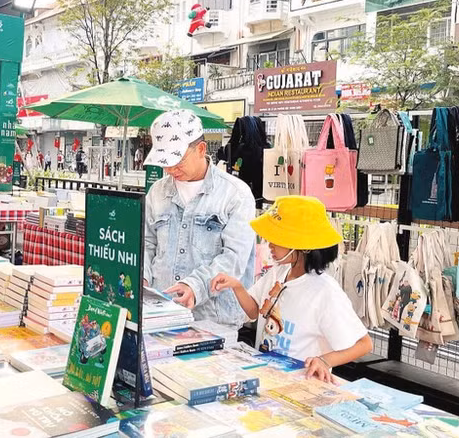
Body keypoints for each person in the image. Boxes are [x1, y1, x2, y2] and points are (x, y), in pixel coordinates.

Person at [210, 196, 372, 383]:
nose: (269, 244)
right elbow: (254, 311)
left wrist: (324, 361)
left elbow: (363, 344)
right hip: (267, 376)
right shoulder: (278, 272)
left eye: (277, 238)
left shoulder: (325, 292)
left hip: (300, 384)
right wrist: (236, 286)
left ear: (301, 245)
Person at [143, 109, 255, 326]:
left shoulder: (235, 194)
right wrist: (143, 279)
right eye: (164, 161)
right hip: (159, 314)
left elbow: (234, 258)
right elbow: (147, 244)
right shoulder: (157, 192)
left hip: (213, 319)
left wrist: (195, 286)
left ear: (201, 149)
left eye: (178, 160)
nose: (170, 169)